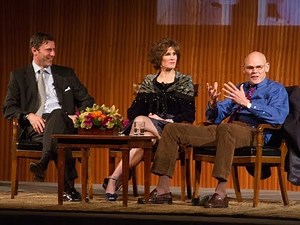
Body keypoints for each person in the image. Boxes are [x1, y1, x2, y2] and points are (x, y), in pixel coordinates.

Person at [147, 51, 289, 207]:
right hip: (226, 129)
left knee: (225, 129)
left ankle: (220, 194)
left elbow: (278, 117)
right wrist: (214, 104)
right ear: (244, 69)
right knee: (172, 129)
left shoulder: (276, 89)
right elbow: (216, 117)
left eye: (258, 67)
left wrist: (248, 104)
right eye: (250, 68)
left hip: (254, 133)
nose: (254, 71)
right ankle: (162, 190)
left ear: (267, 67)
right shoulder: (240, 87)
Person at [2, 32, 94, 202]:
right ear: (34, 51)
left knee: (58, 114)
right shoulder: (19, 76)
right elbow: (8, 108)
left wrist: (78, 116)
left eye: (54, 49)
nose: (53, 54)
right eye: (48, 50)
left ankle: (43, 163)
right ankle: (69, 188)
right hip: (37, 127)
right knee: (60, 138)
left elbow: (87, 100)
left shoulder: (66, 73)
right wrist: (29, 115)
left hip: (66, 121)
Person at [103, 38, 196, 201]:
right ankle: (115, 179)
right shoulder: (149, 81)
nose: (173, 57)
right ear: (158, 58)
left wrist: (163, 119)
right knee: (141, 128)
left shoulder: (184, 81)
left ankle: (114, 180)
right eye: (168, 54)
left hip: (173, 128)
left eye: (174, 54)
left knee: (141, 126)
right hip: (149, 131)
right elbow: (133, 112)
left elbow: (189, 115)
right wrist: (150, 117)